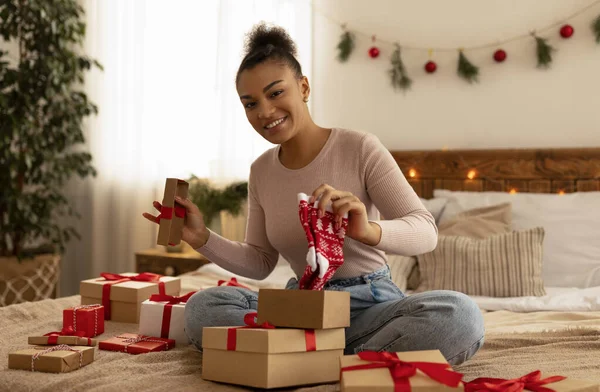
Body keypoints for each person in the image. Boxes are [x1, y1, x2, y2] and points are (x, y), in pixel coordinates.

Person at [143, 22, 484, 366]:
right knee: (205, 306)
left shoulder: (360, 147)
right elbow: (260, 263)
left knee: (459, 314)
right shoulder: (261, 170)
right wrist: (201, 237)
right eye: (250, 103)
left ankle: (299, 362)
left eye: (275, 93)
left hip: (370, 307)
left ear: (303, 87)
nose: (263, 111)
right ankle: (348, 364)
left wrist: (368, 231)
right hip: (301, 310)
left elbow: (426, 231)